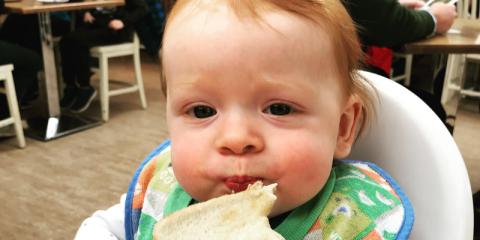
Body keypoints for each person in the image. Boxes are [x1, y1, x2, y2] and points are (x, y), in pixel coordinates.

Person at [74, 1, 414, 239]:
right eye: (202, 111)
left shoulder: (356, 220)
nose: (236, 138)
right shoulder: (162, 192)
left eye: (279, 109)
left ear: (342, 128)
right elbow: (96, 229)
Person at [59, 0, 148, 113]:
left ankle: (85, 86)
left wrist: (123, 21)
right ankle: (70, 85)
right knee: (65, 41)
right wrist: (85, 12)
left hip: (115, 29)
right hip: (96, 24)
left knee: (77, 41)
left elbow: (143, 9)